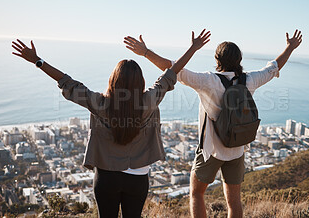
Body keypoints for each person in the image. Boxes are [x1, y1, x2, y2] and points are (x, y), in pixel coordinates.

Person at [11, 29, 210, 218]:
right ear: (139, 81)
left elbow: (68, 83)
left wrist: (38, 61)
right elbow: (171, 73)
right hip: (138, 176)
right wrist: (193, 48)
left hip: (106, 176)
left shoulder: (100, 103)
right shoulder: (149, 101)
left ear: (113, 80)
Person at [124, 29, 302, 218]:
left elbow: (174, 68)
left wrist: (145, 52)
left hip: (211, 149)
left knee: (196, 193)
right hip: (237, 149)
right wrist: (290, 47)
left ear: (217, 60)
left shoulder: (208, 81)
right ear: (239, 60)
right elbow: (273, 68)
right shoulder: (249, 80)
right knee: (234, 201)